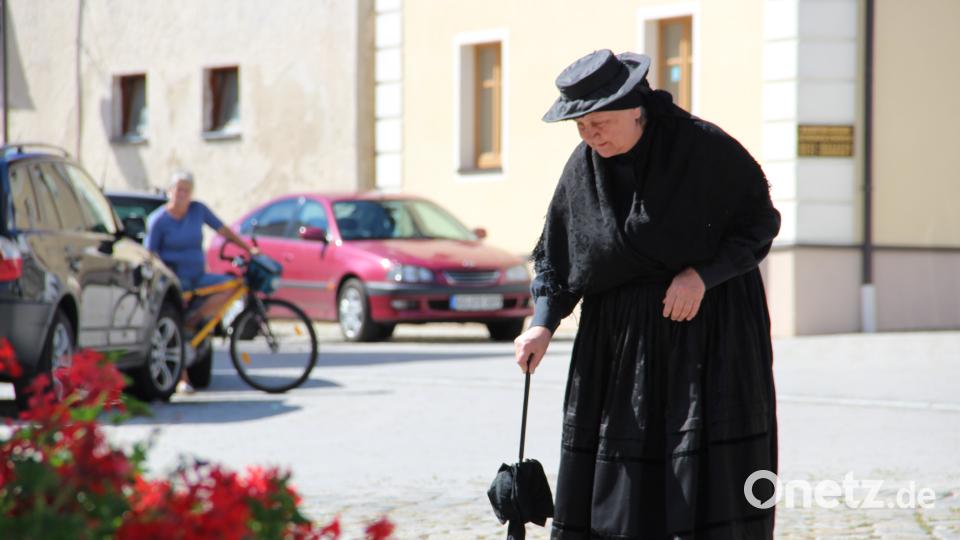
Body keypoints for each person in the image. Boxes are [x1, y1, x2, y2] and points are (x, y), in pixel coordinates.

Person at [513, 50, 782, 539]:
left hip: (708, 338)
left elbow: (759, 223)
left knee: (702, 479)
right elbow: (558, 254)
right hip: (617, 352)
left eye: (601, 121)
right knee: (619, 486)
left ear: (636, 107)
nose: (592, 134)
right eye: (580, 126)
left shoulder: (704, 149)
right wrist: (542, 324)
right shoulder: (584, 168)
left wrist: (702, 274)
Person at [145, 170, 256, 392]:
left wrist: (248, 249)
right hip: (175, 281)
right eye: (178, 189)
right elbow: (150, 255)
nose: (182, 194)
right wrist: (166, 279)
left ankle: (195, 318)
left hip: (199, 277)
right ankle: (182, 377)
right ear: (169, 192)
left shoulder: (198, 210)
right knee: (174, 320)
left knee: (234, 285)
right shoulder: (158, 220)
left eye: (187, 190)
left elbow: (223, 229)